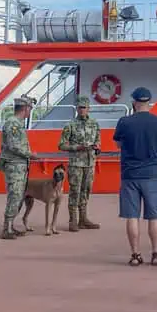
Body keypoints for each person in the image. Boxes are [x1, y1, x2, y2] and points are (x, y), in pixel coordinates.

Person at [114, 86, 157, 266]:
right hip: (152, 174)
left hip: (130, 174)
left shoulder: (124, 122)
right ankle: (156, 253)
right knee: (154, 217)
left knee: (132, 216)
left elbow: (118, 144)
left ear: (134, 102)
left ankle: (135, 255)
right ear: (149, 102)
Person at [59, 96, 102, 232]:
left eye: (84, 107)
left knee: (86, 191)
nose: (82, 110)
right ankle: (73, 220)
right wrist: (77, 147)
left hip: (90, 163)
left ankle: (83, 219)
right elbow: (61, 145)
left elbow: (98, 140)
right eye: (80, 107)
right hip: (76, 164)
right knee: (74, 191)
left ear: (89, 108)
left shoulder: (94, 124)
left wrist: (97, 147)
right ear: (77, 108)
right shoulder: (70, 125)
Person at [0, 96, 37, 240]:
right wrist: (30, 155)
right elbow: (13, 146)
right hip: (14, 166)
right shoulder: (12, 124)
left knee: (19, 196)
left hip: (20, 166)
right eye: (29, 109)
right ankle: (6, 228)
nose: (29, 111)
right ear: (25, 108)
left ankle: (11, 225)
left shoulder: (18, 123)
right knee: (15, 195)